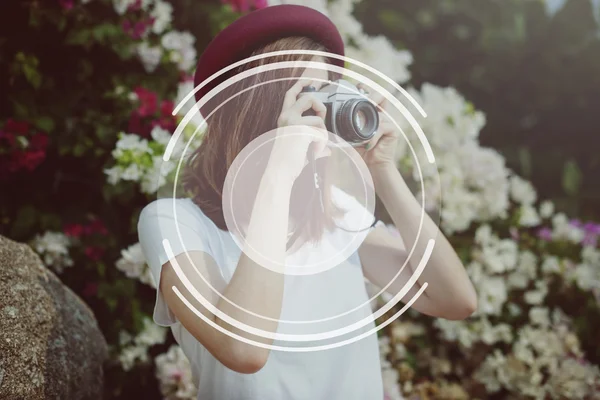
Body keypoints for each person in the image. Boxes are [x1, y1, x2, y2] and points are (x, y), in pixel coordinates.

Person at [137, 5, 477, 400]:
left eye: (327, 92)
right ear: (256, 105)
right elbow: (243, 350)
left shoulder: (335, 215)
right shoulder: (174, 223)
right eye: (306, 95)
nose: (320, 111)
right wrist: (277, 169)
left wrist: (382, 170)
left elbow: (455, 300)